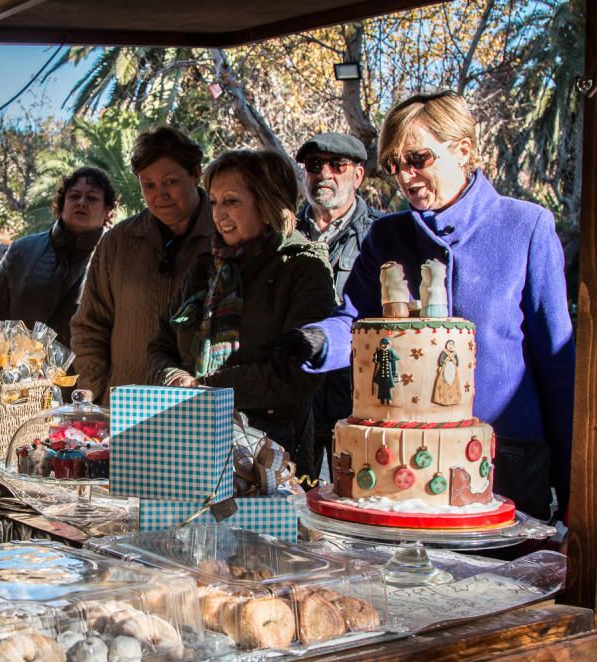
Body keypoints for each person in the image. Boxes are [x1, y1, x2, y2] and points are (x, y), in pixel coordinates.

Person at [277, 91, 576, 519]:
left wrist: (575, 498)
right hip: (400, 474)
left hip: (506, 458)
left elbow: (557, 365)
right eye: (395, 165)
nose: (406, 176)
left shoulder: (525, 227)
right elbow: (357, 322)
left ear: (463, 150)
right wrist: (318, 341)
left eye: (418, 159)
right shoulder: (387, 237)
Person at [146, 149, 337, 472]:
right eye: (215, 202)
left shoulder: (303, 267)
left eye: (231, 201)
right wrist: (176, 379)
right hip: (192, 441)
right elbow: (160, 345)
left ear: (266, 204)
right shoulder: (205, 269)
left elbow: (298, 371)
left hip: (273, 453)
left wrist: (207, 389)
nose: (219, 213)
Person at [72, 126, 215, 404]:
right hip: (123, 412)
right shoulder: (117, 243)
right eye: (148, 185)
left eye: (170, 182)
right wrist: (100, 396)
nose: (160, 194)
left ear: (196, 173)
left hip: (201, 410)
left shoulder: (225, 237)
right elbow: (88, 328)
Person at [295, 132, 382, 478]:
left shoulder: (381, 236)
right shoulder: (282, 232)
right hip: (296, 404)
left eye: (338, 165)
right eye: (315, 166)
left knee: (358, 510)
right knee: (292, 515)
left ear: (358, 174)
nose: (325, 174)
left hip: (358, 405)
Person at [0, 167, 117, 347]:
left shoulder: (117, 259)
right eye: (74, 196)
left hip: (85, 374)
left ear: (107, 210)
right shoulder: (22, 250)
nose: (82, 202)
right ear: (62, 203)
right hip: (20, 370)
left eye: (92, 198)